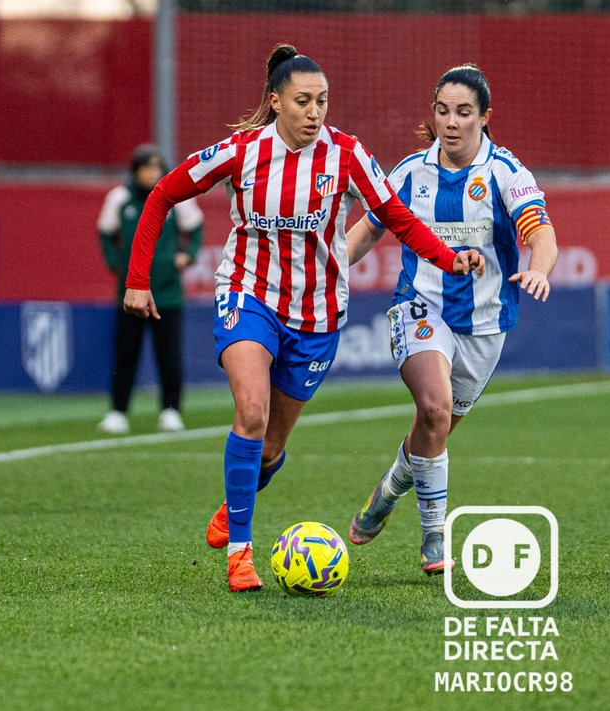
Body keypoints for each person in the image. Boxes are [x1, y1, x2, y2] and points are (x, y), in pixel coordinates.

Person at [123, 45, 484, 593]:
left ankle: (234, 501)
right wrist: (137, 279)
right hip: (250, 295)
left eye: (323, 101)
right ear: (275, 102)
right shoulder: (242, 152)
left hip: (317, 315)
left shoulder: (346, 153)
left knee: (269, 445)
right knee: (250, 412)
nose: (316, 113)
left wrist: (448, 257)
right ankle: (241, 554)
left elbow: (397, 218)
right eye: (303, 101)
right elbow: (163, 194)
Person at [341, 64, 558, 574]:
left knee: (433, 430)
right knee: (434, 409)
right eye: (443, 111)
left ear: (485, 117)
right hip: (420, 306)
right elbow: (368, 231)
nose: (452, 122)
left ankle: (390, 486)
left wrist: (539, 270)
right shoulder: (409, 173)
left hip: (485, 325)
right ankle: (435, 534)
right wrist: (325, 269)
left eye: (464, 112)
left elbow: (540, 232)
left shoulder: (505, 172)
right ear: (433, 115)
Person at [97, 144, 202, 434]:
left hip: (167, 292)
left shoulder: (174, 194)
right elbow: (106, 233)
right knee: (125, 354)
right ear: (135, 171)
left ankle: (171, 410)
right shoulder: (119, 199)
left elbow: (195, 229)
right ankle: (118, 411)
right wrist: (115, 263)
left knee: (168, 354)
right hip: (130, 293)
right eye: (147, 168)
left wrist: (187, 255)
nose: (153, 173)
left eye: (157, 167)